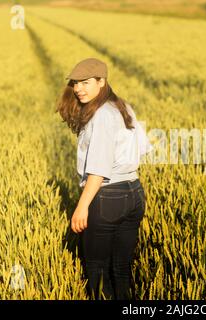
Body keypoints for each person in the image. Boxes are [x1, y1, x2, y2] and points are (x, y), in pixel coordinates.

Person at [56, 58, 153, 300]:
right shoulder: (123, 107)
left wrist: (81, 207)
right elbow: (142, 148)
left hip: (108, 197)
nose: (79, 88)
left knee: (97, 271)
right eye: (75, 83)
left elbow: (98, 169)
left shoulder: (100, 115)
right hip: (134, 194)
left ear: (102, 82)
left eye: (86, 82)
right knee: (121, 269)